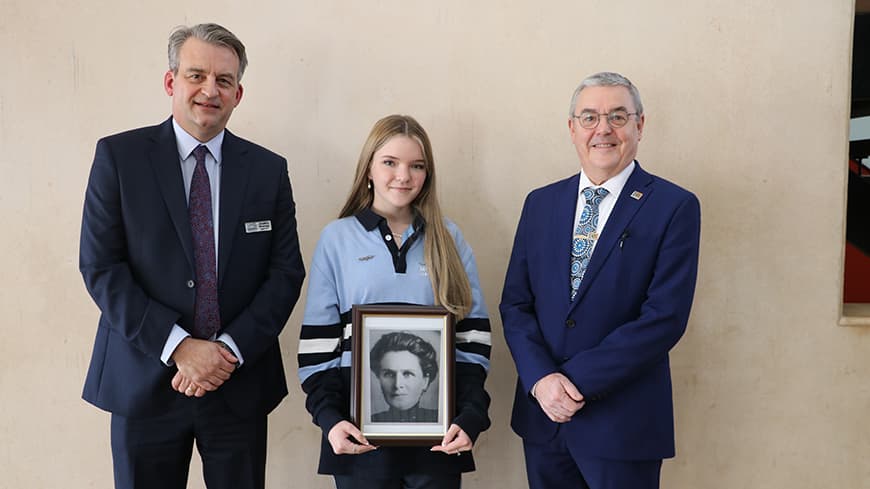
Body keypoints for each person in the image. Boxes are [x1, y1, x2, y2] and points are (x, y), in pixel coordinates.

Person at [79, 23, 305, 489]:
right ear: (171, 82)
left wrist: (226, 352)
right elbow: (102, 268)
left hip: (237, 385)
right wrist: (179, 346)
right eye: (196, 75)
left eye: (224, 80)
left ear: (238, 93)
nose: (209, 90)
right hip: (144, 383)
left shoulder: (268, 171)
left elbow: (285, 274)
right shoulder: (119, 158)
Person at [500, 72, 701, 489]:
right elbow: (516, 305)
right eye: (589, 117)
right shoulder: (540, 203)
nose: (603, 129)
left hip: (623, 425)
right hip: (544, 420)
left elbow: (664, 317)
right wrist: (542, 380)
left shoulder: (674, 206)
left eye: (618, 116)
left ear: (640, 125)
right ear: (572, 128)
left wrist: (574, 383)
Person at [297, 114, 491, 489]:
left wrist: (470, 417)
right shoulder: (337, 239)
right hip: (358, 441)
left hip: (438, 443)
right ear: (368, 168)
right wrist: (330, 421)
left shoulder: (448, 238)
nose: (403, 176)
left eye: (416, 166)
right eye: (390, 162)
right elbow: (318, 348)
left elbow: (472, 342)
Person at [370, 331, 439, 423]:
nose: (397, 384)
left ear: (425, 382)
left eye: (407, 374)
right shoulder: (370, 423)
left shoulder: (441, 421)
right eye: (389, 374)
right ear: (379, 378)